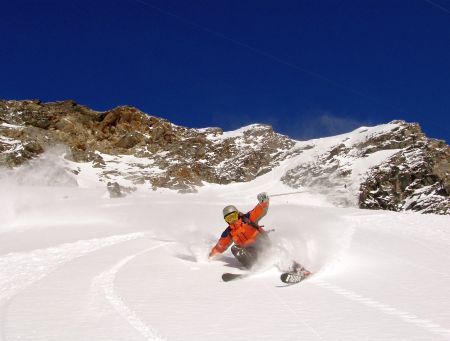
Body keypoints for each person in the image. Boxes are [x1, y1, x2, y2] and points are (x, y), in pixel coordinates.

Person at [208, 192, 271, 269]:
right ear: (226, 220)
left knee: (260, 243)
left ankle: (269, 256)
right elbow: (220, 246)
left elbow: (259, 210)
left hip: (262, 243)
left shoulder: (248, 218)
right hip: (250, 251)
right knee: (235, 248)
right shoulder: (229, 232)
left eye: (233, 216)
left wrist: (264, 201)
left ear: (237, 214)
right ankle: (250, 264)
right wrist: (211, 255)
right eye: (229, 218)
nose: (232, 220)